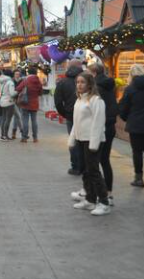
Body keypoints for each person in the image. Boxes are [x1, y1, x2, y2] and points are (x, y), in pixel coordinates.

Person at [68, 72, 110, 216]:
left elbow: (98, 122)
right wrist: (72, 138)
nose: (79, 85)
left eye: (82, 82)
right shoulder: (79, 100)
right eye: (77, 82)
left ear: (90, 84)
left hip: (92, 140)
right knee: (85, 170)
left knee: (93, 171)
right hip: (81, 139)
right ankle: (90, 199)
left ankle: (104, 201)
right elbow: (76, 122)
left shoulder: (96, 100)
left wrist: (94, 142)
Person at [82, 63, 119, 202]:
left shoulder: (96, 89)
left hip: (99, 128)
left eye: (87, 72)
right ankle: (108, 192)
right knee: (104, 160)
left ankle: (96, 193)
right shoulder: (109, 84)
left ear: (94, 74)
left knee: (92, 162)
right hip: (110, 126)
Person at [54, 59, 83, 175]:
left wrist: (65, 113)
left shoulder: (62, 82)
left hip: (71, 115)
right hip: (85, 115)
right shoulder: (86, 80)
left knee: (73, 141)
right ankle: (85, 166)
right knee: (85, 141)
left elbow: (57, 101)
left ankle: (75, 167)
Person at [118, 64, 144, 187]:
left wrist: (127, 118)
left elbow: (123, 108)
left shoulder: (130, 89)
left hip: (136, 126)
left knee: (137, 152)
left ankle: (138, 178)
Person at [16, 67, 43, 143]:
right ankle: (35, 138)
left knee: (25, 121)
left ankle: (24, 138)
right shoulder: (38, 81)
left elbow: (18, 88)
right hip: (35, 103)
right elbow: (41, 92)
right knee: (34, 121)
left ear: (29, 73)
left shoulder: (26, 80)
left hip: (25, 103)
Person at [0, 70, 17, 141]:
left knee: (3, 119)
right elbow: (12, 93)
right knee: (8, 120)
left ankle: (2, 135)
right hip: (9, 102)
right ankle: (5, 135)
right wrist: (17, 91)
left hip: (2, 101)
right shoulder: (10, 82)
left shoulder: (1, 81)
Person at [11, 69, 24, 139]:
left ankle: (15, 132)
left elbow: (24, 89)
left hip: (21, 100)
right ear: (14, 74)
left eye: (18, 74)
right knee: (17, 116)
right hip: (14, 100)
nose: (17, 75)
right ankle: (17, 131)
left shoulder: (22, 81)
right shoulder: (11, 81)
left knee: (18, 116)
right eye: (16, 74)